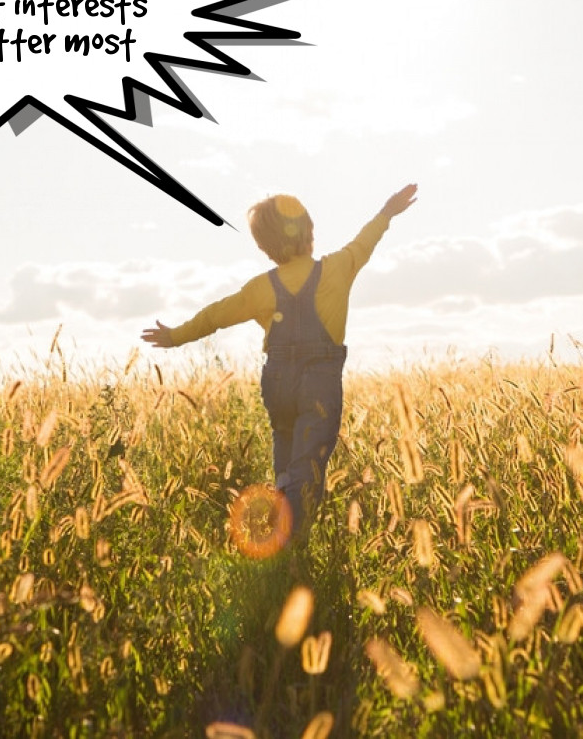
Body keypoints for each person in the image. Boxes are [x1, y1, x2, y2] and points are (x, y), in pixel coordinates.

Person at [141, 184, 418, 540]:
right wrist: (387, 213)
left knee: (286, 460)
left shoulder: (261, 288)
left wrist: (176, 336)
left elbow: (216, 315)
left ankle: (278, 522)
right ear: (310, 231)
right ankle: (291, 540)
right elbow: (366, 240)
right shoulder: (338, 268)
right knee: (309, 468)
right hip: (319, 383)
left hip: (277, 382)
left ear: (266, 248)